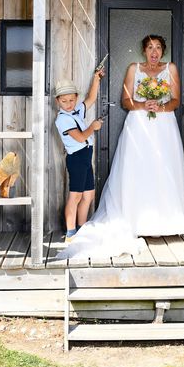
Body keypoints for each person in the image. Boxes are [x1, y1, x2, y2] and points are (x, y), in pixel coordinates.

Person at [60, 35, 184, 258]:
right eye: (150, 47)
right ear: (144, 50)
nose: (154, 51)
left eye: (158, 47)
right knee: (137, 169)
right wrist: (142, 104)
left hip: (164, 126)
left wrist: (161, 106)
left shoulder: (171, 68)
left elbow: (176, 100)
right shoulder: (134, 68)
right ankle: (135, 220)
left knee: (163, 169)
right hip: (139, 124)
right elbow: (125, 100)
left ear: (163, 51)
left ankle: (166, 223)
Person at [54, 69, 104, 242]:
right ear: (58, 101)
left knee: (88, 195)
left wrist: (96, 79)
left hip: (85, 158)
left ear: (75, 98)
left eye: (72, 100)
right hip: (76, 159)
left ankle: (82, 228)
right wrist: (93, 127)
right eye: (64, 101)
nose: (69, 104)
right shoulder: (62, 120)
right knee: (75, 196)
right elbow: (81, 137)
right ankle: (70, 232)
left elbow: (90, 98)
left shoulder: (76, 111)